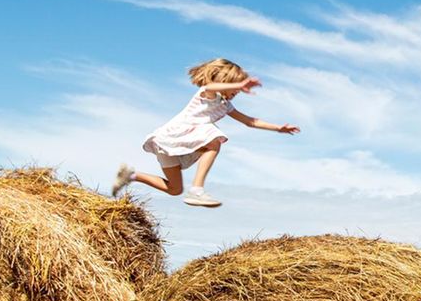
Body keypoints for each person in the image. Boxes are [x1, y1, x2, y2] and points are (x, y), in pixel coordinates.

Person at [111, 58, 299, 208]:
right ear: (224, 82)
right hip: (172, 138)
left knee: (175, 189)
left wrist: (278, 128)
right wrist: (240, 84)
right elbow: (210, 87)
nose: (238, 91)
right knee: (215, 139)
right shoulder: (207, 95)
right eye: (236, 86)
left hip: (179, 145)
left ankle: (132, 175)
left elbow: (250, 121)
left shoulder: (225, 106)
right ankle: (197, 189)